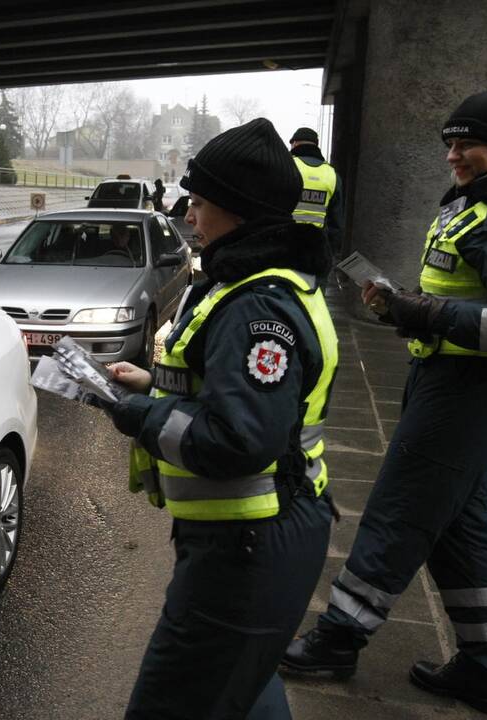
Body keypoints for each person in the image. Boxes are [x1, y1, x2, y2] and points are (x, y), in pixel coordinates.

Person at [282, 91, 487, 717]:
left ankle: (338, 640)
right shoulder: (484, 201)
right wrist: (407, 306)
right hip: (446, 378)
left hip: (469, 390)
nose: (453, 155)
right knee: (462, 528)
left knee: (398, 510)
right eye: (449, 143)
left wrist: (418, 310)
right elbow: (465, 293)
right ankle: (485, 670)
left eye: (467, 144)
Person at [93, 118, 340, 719]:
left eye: (200, 204)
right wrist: (155, 384)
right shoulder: (252, 281)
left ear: (239, 210)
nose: (189, 217)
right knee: (244, 689)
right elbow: (231, 394)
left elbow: (239, 439)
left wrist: (139, 415)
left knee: (173, 704)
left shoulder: (256, 303)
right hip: (251, 538)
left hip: (247, 547)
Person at [289, 127, 345, 259]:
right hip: (317, 247)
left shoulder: (287, 166)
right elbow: (336, 223)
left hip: (286, 244)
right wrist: (330, 255)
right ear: (316, 145)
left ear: (295, 143)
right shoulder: (332, 174)